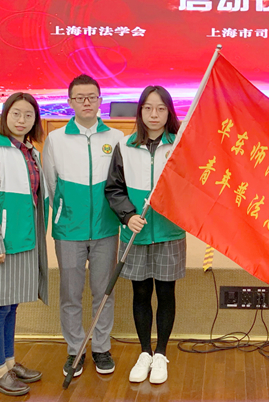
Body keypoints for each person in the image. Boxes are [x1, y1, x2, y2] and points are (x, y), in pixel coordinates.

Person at [43, 74, 124, 377]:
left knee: (104, 292)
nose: (86, 102)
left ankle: (101, 348)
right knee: (70, 293)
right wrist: (66, 211)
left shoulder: (116, 137)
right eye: (80, 97)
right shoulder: (56, 140)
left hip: (106, 229)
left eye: (92, 96)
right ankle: (75, 349)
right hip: (69, 231)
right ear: (70, 102)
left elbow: (120, 182)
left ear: (100, 100)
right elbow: (51, 184)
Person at [104, 85, 185, 385]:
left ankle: (161, 353)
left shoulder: (180, 145)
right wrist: (128, 216)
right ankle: (145, 352)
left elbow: (191, 187)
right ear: (140, 112)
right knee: (140, 293)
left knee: (165, 293)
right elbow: (114, 188)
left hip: (168, 232)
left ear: (169, 112)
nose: (154, 114)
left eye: (161, 108)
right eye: (148, 108)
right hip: (135, 233)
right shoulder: (125, 146)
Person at [0, 92, 48, 396]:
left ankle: (9, 363)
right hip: (2, 246)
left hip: (25, 240)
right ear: (5, 116)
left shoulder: (31, 151)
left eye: (29, 115)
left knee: (10, 306)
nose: (22, 120)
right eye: (16, 113)